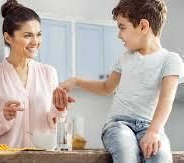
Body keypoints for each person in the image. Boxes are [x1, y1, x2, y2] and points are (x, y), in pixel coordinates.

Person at [53, 0, 184, 162]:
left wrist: (154, 131)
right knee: (126, 152)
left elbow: (166, 99)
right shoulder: (125, 58)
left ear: (143, 26)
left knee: (160, 156)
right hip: (119, 124)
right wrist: (77, 81)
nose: (119, 35)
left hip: (151, 127)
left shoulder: (170, 60)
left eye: (122, 27)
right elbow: (106, 87)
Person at [0, 0, 66, 148]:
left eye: (38, 34)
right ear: (8, 37)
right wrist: (3, 117)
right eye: (27, 35)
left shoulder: (49, 73)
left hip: (41, 158)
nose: (35, 41)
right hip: (4, 159)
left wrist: (59, 109)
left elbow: (54, 124)